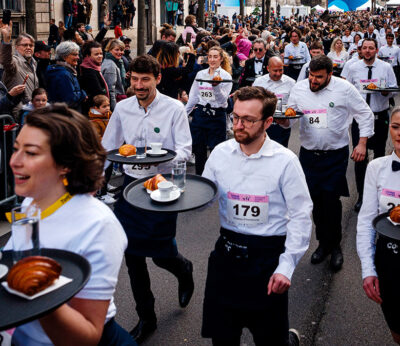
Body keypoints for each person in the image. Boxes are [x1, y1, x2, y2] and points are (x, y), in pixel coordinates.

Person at [5, 104, 135, 345]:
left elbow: (87, 337)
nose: (14, 161)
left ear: (65, 164)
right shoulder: (30, 204)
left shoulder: (99, 225)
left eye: (31, 153)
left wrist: (39, 290)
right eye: (16, 149)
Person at [201, 86, 312, 346]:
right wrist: (175, 195)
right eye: (235, 117)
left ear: (268, 122)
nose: (238, 125)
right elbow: (204, 198)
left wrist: (287, 266)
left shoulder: (285, 161)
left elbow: (301, 214)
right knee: (223, 339)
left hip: (266, 259)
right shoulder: (220, 154)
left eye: (248, 120)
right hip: (226, 257)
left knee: (269, 339)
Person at [101, 55, 193, 344]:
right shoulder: (123, 107)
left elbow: (185, 150)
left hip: (161, 185)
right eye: (135, 79)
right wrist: (96, 177)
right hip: (131, 186)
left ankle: (183, 268)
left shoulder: (174, 108)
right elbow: (108, 146)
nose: (139, 85)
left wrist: (162, 160)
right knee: (133, 255)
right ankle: (146, 317)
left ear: (157, 79)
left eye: (145, 80)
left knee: (161, 252)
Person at [282, 55, 374, 272]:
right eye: (311, 76)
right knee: (315, 202)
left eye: (319, 78)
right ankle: (323, 244)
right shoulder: (300, 88)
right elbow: (290, 116)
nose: (314, 81)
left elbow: (365, 114)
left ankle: (336, 247)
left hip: (335, 155)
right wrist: (283, 120)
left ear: (330, 75)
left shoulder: (344, 89)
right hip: (309, 155)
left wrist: (361, 144)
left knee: (331, 201)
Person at [356, 107, 400, 345]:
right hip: (390, 259)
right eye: (395, 127)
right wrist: (368, 269)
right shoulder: (377, 168)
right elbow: (366, 221)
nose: (399, 133)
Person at [346, 38, 397, 212]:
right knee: (360, 158)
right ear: (361, 50)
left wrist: (385, 91)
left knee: (379, 156)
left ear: (376, 50)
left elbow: (393, 88)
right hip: (359, 118)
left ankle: (378, 195)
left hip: (380, 115)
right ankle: (362, 196)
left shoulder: (385, 67)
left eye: (371, 48)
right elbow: (348, 92)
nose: (367, 51)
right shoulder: (353, 68)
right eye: (365, 48)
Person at [186, 46, 232, 175]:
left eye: (215, 57)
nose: (212, 60)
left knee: (216, 151)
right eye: (210, 56)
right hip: (201, 114)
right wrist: (184, 114)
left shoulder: (225, 76)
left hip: (217, 115)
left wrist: (215, 87)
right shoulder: (201, 74)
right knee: (199, 150)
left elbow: (223, 100)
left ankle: (216, 179)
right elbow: (194, 96)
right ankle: (200, 177)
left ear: (221, 59)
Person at [253, 56, 295, 147]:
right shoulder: (259, 82)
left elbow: (294, 105)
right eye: (275, 71)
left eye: (281, 70)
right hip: (264, 124)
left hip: (282, 125)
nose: (278, 73)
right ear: (268, 68)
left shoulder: (291, 83)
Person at [0, 25, 39, 117]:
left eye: (31, 45)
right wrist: (6, 40)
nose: (28, 47)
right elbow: (6, 60)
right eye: (25, 45)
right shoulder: (15, 61)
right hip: (18, 113)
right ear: (16, 47)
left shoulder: (34, 63)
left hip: (32, 110)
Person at [45, 41, 87, 112]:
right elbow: (70, 100)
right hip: (66, 115)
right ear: (64, 57)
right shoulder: (63, 74)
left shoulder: (63, 71)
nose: (78, 57)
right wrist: (82, 94)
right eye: (74, 55)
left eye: (78, 54)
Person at [80, 40, 109, 115]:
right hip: (95, 112)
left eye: (101, 53)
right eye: (96, 54)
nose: (100, 56)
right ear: (87, 56)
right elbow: (97, 93)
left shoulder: (94, 68)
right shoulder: (88, 71)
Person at [101, 39, 126, 110]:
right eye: (117, 50)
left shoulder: (113, 61)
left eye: (121, 50)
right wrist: (114, 109)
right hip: (116, 102)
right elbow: (111, 90)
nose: (120, 52)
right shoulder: (111, 65)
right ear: (109, 50)